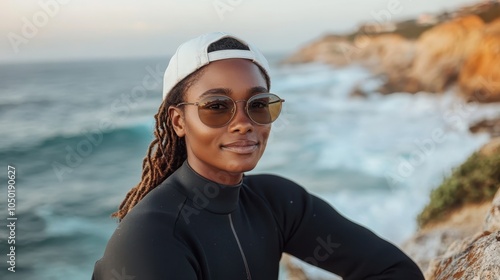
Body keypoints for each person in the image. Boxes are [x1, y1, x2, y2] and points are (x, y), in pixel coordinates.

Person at [92, 32, 424, 280]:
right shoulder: (150, 238)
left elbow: (396, 271)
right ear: (179, 121)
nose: (242, 124)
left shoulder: (276, 203)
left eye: (258, 105)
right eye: (217, 107)